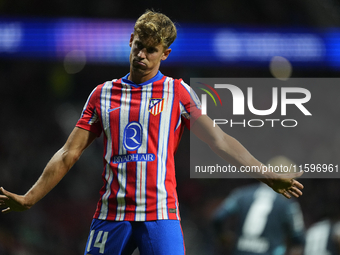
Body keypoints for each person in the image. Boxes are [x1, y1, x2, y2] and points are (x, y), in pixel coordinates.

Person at [0, 10, 303, 255]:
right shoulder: (103, 94)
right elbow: (69, 153)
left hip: (160, 216)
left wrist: (265, 174)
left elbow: (219, 139)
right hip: (111, 215)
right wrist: (29, 198)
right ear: (130, 40)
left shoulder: (177, 92)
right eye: (138, 46)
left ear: (165, 54)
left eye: (151, 50)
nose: (142, 55)